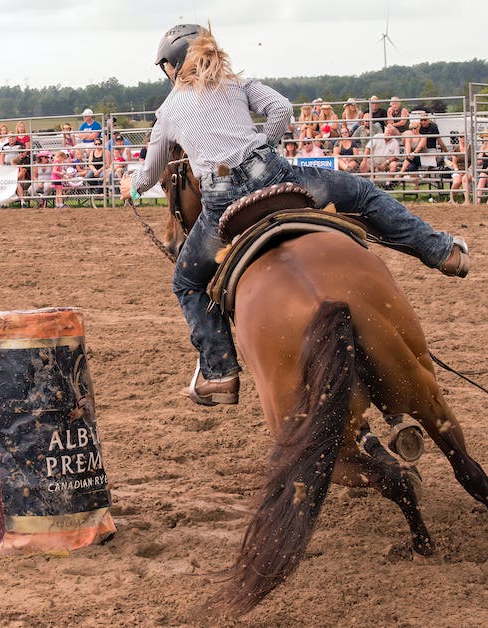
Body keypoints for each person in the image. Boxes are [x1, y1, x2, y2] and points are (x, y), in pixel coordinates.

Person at [124, 24, 470, 406]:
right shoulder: (237, 83)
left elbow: (151, 172)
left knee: (186, 283)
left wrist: (132, 186)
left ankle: (220, 373)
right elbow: (281, 109)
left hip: (223, 202)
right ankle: (443, 252)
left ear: (172, 66)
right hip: (273, 177)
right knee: (362, 193)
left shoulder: (169, 110)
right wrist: (263, 148)